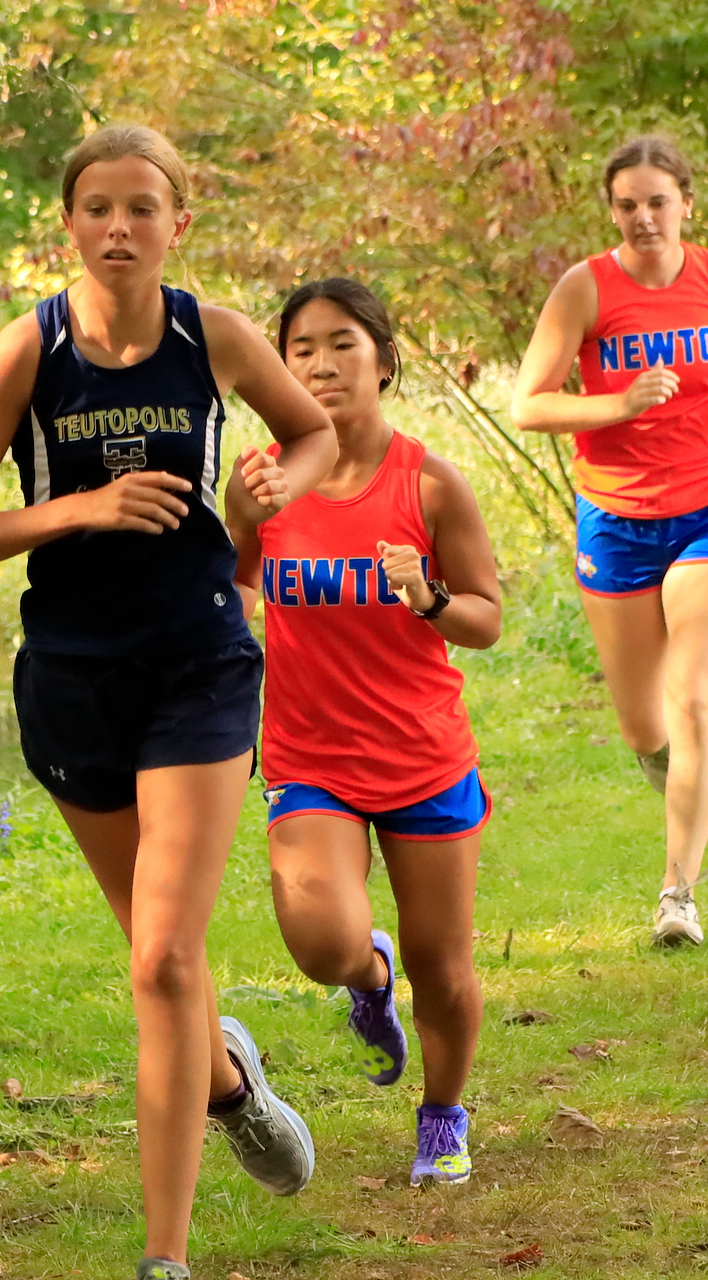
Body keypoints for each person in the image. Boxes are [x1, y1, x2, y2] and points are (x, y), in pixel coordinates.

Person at [0, 124, 338, 1280]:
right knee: (161, 958)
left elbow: (312, 432)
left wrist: (277, 482)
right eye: (98, 207)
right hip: (74, 679)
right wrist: (80, 510)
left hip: (199, 663)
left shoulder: (214, 335)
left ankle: (165, 1259)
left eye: (142, 207)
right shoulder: (29, 350)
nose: (119, 227)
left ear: (176, 224)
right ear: (69, 223)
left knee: (162, 958)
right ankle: (230, 1082)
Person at [228, 279, 503, 1186]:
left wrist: (427, 595)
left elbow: (485, 618)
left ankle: (442, 1116)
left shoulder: (429, 483)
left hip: (423, 755)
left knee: (444, 966)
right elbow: (237, 587)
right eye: (300, 348)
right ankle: (369, 980)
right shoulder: (264, 483)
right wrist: (233, 554)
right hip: (311, 758)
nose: (320, 363)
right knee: (322, 943)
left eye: (342, 343)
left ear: (383, 362)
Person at [511, 135, 708, 948]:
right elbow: (530, 404)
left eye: (658, 202)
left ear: (686, 203)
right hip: (617, 519)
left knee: (693, 699)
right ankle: (679, 780)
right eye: (627, 205)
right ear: (613, 211)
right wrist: (618, 405)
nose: (644, 218)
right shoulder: (585, 288)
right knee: (642, 726)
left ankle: (677, 893)